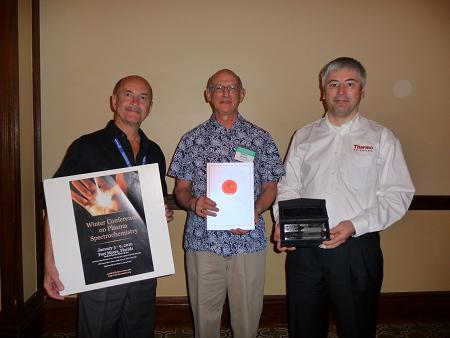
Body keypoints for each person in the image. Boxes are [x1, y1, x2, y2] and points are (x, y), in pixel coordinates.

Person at [273, 57, 415, 338]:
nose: (341, 91)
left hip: (357, 251)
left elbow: (398, 195)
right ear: (323, 92)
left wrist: (355, 225)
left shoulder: (382, 138)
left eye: (350, 84)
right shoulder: (304, 136)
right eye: (333, 84)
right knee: (304, 329)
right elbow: (288, 187)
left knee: (357, 328)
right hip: (305, 252)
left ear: (362, 91)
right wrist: (284, 223)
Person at [43, 75, 174, 338]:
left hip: (143, 262)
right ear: (114, 100)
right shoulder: (87, 146)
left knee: (139, 330)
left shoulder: (155, 152)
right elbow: (56, 207)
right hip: (100, 263)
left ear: (150, 106)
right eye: (128, 94)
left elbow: (157, 202)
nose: (135, 102)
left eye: (143, 97)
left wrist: (163, 213)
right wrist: (50, 262)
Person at [168, 69, 285, 338]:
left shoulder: (261, 138)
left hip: (248, 240)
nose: (225, 93)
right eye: (218, 88)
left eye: (232, 88)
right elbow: (181, 190)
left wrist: (253, 211)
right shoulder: (191, 139)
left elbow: (271, 188)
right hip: (203, 240)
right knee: (204, 320)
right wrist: (193, 202)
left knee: (247, 318)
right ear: (207, 94)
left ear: (242, 95)